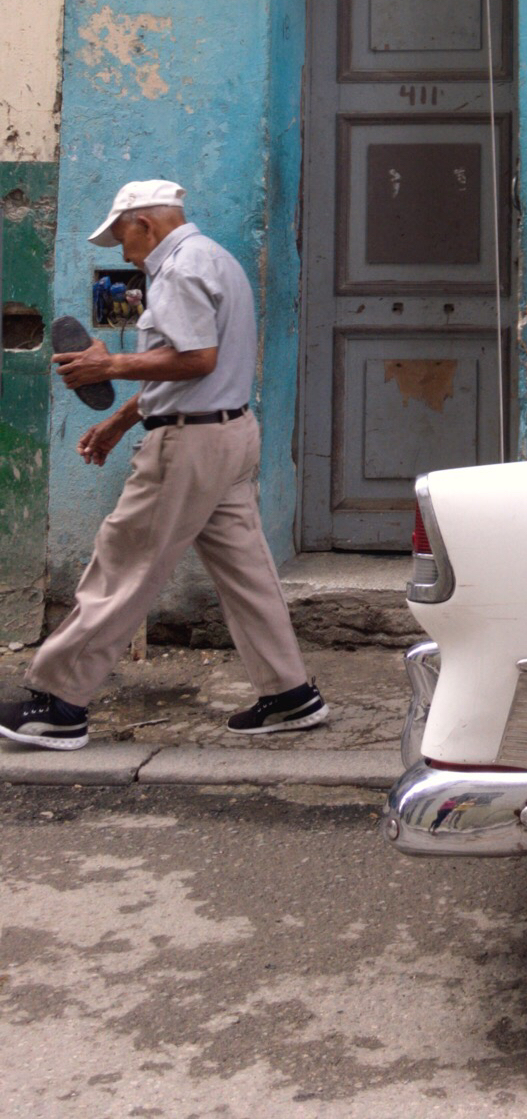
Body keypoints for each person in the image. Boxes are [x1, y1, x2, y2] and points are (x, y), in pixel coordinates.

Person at [0, 179, 327, 750]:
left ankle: (58, 705)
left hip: (188, 447)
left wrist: (110, 367)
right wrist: (122, 419)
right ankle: (290, 694)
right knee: (247, 573)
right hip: (229, 434)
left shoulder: (178, 269)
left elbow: (196, 358)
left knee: (123, 564)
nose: (121, 251)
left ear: (145, 224)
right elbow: (189, 363)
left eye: (121, 236)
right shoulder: (215, 260)